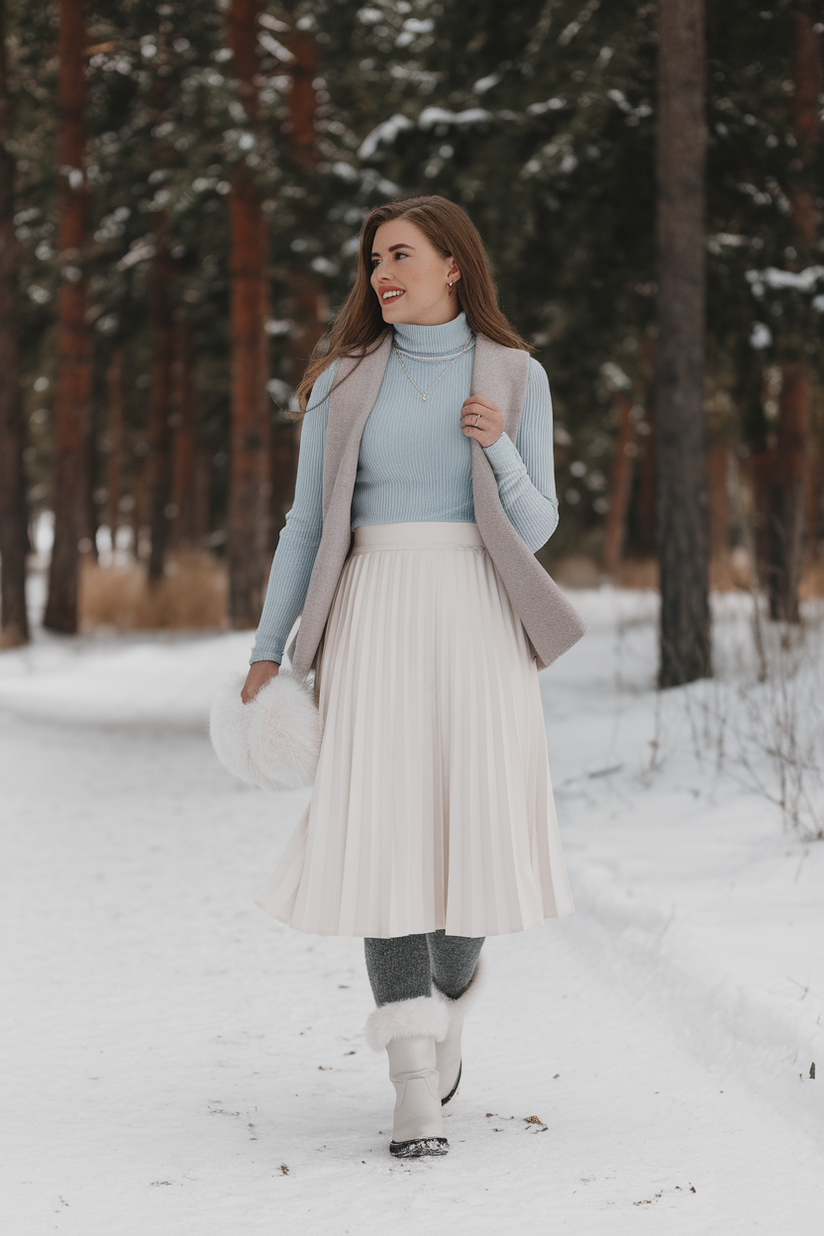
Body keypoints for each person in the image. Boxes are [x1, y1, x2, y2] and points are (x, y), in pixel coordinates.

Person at [241, 194, 583, 1159]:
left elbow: (542, 525)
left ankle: (448, 1006)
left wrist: (499, 448)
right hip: (374, 617)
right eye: (373, 259)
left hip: (479, 619)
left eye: (400, 255)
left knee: (470, 839)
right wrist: (271, 649)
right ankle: (411, 1085)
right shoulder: (342, 380)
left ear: (453, 266)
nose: (381, 274)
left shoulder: (517, 375)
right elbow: (305, 524)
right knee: (385, 842)